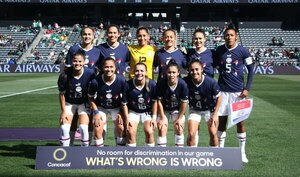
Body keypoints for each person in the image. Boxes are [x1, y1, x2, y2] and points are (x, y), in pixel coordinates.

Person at [213, 27, 254, 163]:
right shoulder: (219, 50)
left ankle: (242, 153)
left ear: (236, 36)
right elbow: (213, 66)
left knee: (240, 123)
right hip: (222, 92)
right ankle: (220, 151)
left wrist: (247, 88)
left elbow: (251, 70)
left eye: (231, 35)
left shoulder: (243, 51)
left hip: (238, 93)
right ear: (224, 37)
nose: (229, 37)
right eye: (227, 35)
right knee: (222, 122)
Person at [57, 51, 95, 147]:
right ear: (71, 61)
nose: (77, 63)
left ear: (84, 62)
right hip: (69, 103)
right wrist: (63, 111)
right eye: (75, 61)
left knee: (83, 127)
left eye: (79, 61)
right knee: (65, 128)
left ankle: (85, 152)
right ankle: (66, 151)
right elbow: (62, 95)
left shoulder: (90, 73)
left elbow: (94, 90)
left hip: (83, 103)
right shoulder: (65, 74)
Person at [88, 57, 127, 146]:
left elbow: (125, 99)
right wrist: (96, 112)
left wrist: (121, 112)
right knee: (97, 128)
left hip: (117, 107)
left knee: (121, 127)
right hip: (101, 107)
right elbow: (90, 98)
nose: (109, 69)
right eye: (106, 67)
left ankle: (120, 152)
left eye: (111, 67)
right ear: (102, 68)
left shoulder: (121, 81)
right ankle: (99, 153)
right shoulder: (95, 82)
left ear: (115, 68)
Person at [184, 59, 222, 147]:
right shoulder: (186, 81)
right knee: (191, 134)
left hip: (210, 110)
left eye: (197, 69)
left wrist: (215, 114)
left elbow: (219, 97)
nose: (194, 72)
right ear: (189, 71)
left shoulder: (210, 82)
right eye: (192, 70)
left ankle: (213, 156)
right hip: (195, 109)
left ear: (201, 69)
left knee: (213, 133)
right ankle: (192, 157)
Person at [123, 63, 157, 147]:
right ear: (133, 72)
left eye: (142, 71)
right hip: (133, 111)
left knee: (149, 131)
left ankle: (149, 155)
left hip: (147, 111)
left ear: (146, 72)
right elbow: (124, 104)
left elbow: (154, 101)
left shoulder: (152, 84)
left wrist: (154, 118)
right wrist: (126, 118)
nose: (139, 73)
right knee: (130, 131)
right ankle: (131, 157)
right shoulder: (128, 85)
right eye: (137, 71)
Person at [156, 59, 189, 147]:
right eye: (169, 72)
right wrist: (162, 117)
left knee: (179, 127)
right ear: (166, 72)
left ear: (178, 73)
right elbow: (159, 101)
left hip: (177, 109)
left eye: (174, 72)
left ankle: (179, 152)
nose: (171, 75)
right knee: (161, 127)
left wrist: (180, 117)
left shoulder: (183, 84)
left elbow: (184, 103)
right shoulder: (161, 83)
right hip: (164, 108)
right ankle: (161, 154)